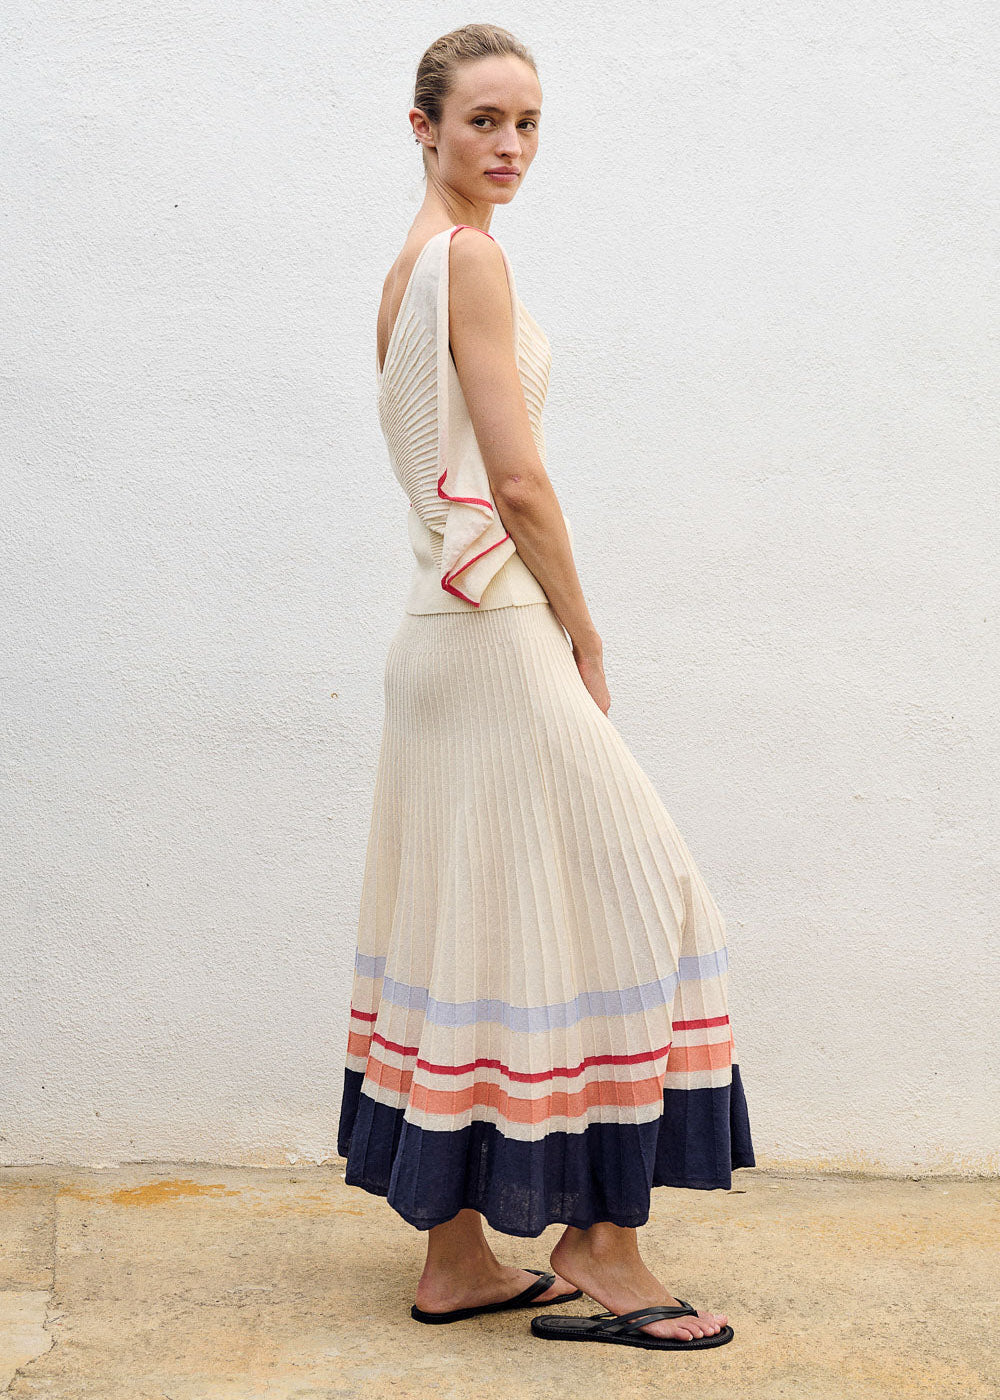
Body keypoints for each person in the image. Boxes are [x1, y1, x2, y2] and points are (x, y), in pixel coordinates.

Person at [337, 23, 755, 1352]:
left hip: (432, 642)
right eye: (482, 123)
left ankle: (455, 1259)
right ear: (423, 127)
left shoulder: (405, 270)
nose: (509, 147)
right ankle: (603, 1247)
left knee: (460, 928)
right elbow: (516, 484)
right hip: (500, 633)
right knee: (656, 904)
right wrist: (585, 636)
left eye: (527, 124)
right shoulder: (469, 259)